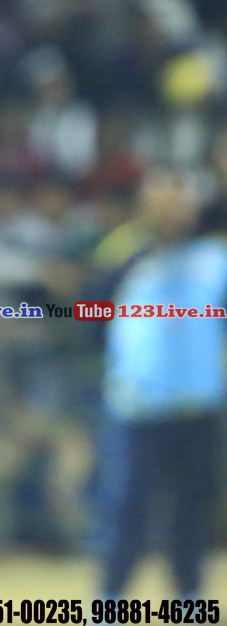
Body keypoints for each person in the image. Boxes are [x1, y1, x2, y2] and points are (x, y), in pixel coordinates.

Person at [98, 168, 225, 601]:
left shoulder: (214, 259)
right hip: (136, 407)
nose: (174, 210)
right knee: (126, 509)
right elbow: (88, 311)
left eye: (182, 200)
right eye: (164, 200)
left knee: (192, 511)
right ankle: (111, 600)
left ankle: (188, 599)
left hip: (197, 407)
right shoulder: (124, 256)